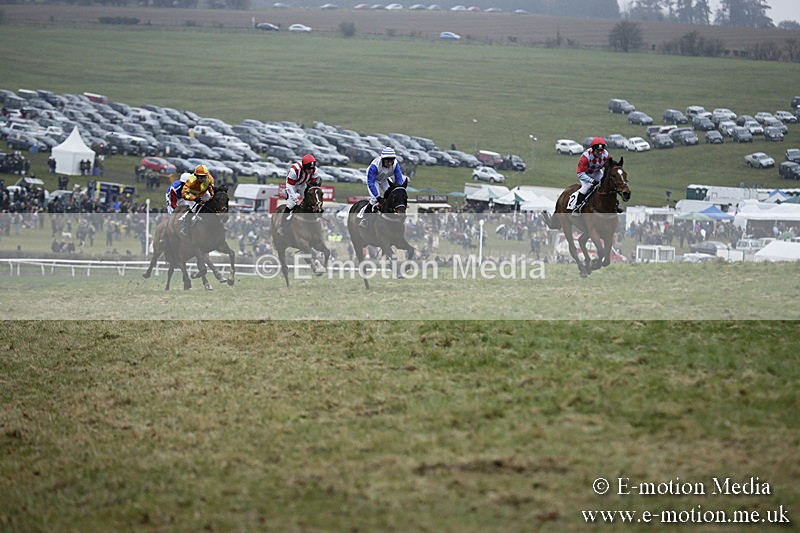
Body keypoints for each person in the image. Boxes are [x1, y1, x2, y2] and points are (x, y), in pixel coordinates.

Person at [357, 147, 406, 227]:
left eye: (391, 161)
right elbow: (371, 183)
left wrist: (399, 190)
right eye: (387, 161)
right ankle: (365, 219)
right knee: (374, 199)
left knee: (393, 196)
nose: (390, 163)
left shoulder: (395, 164)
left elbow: (399, 179)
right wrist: (378, 197)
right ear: (383, 160)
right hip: (374, 181)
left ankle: (392, 216)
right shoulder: (374, 166)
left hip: (384, 179)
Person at [276, 154, 319, 236]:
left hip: (303, 185)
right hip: (292, 186)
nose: (310, 171)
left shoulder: (315, 171)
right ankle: (282, 225)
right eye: (308, 169)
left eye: (312, 168)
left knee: (310, 202)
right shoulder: (295, 170)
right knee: (291, 205)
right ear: (304, 167)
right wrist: (296, 200)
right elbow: (289, 187)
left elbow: (312, 186)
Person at [567, 136, 610, 214]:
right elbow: (580, 173)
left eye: (601, 150)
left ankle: (615, 204)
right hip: (585, 174)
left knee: (607, 184)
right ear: (593, 150)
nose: (600, 153)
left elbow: (608, 167)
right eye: (598, 151)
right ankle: (577, 207)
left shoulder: (606, 154)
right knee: (586, 187)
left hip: (597, 172)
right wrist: (591, 181)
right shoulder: (585, 157)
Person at [179, 164, 215, 237]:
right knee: (194, 208)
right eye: (200, 177)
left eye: (204, 177)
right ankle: (185, 226)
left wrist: (213, 197)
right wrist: (194, 199)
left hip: (203, 193)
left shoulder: (210, 179)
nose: (202, 179)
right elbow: (184, 194)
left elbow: (212, 191)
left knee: (213, 204)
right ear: (196, 176)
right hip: (192, 195)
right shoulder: (191, 181)